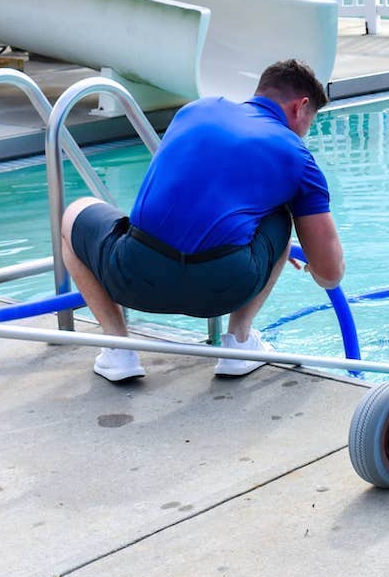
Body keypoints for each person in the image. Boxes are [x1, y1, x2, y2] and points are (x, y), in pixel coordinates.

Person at [61, 59, 345, 382]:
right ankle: (239, 342)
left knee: (73, 212)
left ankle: (117, 348)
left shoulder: (195, 110)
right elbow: (330, 273)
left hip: (134, 277)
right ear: (300, 106)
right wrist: (297, 253)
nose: (305, 133)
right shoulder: (296, 155)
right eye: (309, 123)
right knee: (280, 212)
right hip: (223, 288)